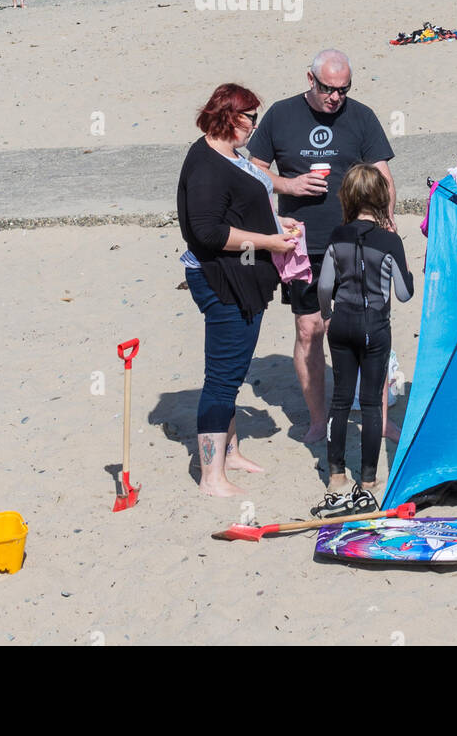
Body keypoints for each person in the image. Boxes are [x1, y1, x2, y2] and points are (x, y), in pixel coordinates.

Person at [248, 50, 395, 445]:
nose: (335, 98)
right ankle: (319, 420)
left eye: (343, 90)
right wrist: (289, 185)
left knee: (366, 328)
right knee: (310, 328)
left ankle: (379, 418)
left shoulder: (361, 116)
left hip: (354, 241)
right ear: (310, 79)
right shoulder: (280, 115)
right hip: (302, 243)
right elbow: (253, 172)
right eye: (329, 89)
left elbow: (382, 175)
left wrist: (385, 222)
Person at [177, 84, 301, 496]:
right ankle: (211, 477)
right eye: (250, 118)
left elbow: (245, 206)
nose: (254, 126)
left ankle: (229, 453)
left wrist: (276, 226)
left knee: (232, 373)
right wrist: (268, 242)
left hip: (244, 276)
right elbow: (208, 232)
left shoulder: (231, 153)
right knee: (222, 378)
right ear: (228, 117)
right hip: (221, 279)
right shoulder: (205, 164)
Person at [315, 164, 413, 514]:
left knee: (341, 399)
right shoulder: (389, 241)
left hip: (341, 322)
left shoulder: (336, 236)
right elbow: (403, 293)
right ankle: (368, 479)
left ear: (348, 198)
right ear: (381, 198)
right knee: (371, 402)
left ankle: (336, 476)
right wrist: (406, 272)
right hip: (374, 325)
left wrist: (327, 315)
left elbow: (324, 285)